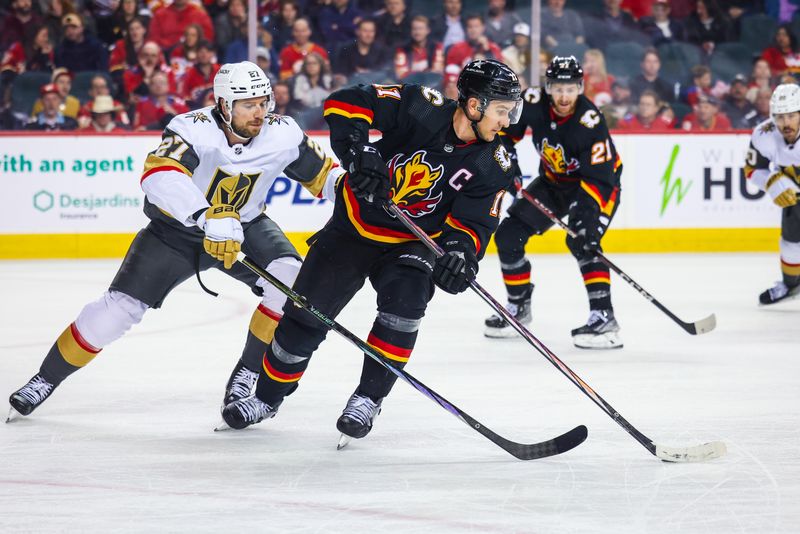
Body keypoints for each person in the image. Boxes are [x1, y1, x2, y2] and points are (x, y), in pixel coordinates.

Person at [7, 61, 345, 421]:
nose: (259, 112)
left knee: (291, 279)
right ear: (224, 105)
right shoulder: (192, 128)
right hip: (175, 233)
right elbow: (159, 175)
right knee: (116, 311)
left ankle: (247, 371)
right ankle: (45, 378)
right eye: (249, 105)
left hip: (246, 227)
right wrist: (205, 215)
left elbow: (324, 177)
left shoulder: (283, 133)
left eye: (264, 102)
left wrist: (356, 191)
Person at [220, 59, 522, 444]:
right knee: (304, 319)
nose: (507, 121)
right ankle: (266, 397)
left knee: (405, 305)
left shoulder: (493, 163)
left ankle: (367, 399)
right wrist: (359, 151)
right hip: (352, 228)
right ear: (475, 105)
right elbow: (346, 102)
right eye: (502, 110)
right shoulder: (422, 105)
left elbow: (473, 225)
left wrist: (460, 255)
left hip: (411, 244)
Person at [484, 56, 623, 350]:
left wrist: (587, 224)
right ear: (548, 87)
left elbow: (600, 179)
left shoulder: (590, 122)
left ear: (580, 88)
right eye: (558, 88)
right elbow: (505, 134)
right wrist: (507, 165)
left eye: (570, 89)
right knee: (509, 236)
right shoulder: (533, 102)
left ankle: (604, 317)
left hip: (598, 184)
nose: (563, 96)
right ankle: (519, 308)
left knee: (582, 241)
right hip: (554, 181)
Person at [744, 83, 800, 304]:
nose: (785, 123)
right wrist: (770, 181)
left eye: (791, 116)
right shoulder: (763, 134)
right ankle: (791, 285)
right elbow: (751, 170)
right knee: (790, 246)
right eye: (780, 116)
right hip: (795, 196)